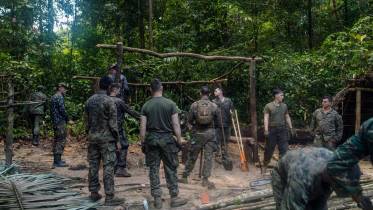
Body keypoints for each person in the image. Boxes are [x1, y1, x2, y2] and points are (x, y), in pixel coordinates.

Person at [140, 79, 187, 209]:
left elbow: (142, 128)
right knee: (170, 168)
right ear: (162, 88)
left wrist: (143, 142)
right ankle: (174, 197)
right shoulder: (170, 104)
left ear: (151, 89)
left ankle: (157, 198)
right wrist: (178, 140)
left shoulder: (146, 106)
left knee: (153, 169)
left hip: (152, 141)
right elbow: (176, 125)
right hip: (167, 141)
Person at [271, 147, 361, 210]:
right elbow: (292, 207)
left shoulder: (340, 162)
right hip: (283, 177)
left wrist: (359, 198)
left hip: (319, 177)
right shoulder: (302, 177)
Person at [85, 76, 124, 206]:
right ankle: (109, 197)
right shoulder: (109, 101)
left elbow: (87, 122)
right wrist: (117, 140)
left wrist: (89, 135)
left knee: (93, 165)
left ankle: (94, 193)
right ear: (108, 87)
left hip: (92, 138)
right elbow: (113, 124)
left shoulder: (89, 101)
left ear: (98, 86)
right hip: (107, 140)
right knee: (108, 166)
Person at [326, 118, 373, 210]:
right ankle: (361, 199)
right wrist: (358, 195)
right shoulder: (369, 126)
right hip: (325, 138)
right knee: (333, 163)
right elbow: (335, 163)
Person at [180, 86, 219, 189]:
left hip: (198, 133)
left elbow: (189, 121)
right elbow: (218, 122)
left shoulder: (194, 105)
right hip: (210, 134)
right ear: (209, 94)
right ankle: (205, 180)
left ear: (200, 93)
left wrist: (193, 131)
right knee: (208, 157)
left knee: (192, 156)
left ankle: (185, 177)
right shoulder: (214, 106)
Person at [109, 83, 140, 177]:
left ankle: (113, 167)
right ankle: (121, 168)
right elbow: (130, 111)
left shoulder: (105, 100)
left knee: (113, 146)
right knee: (124, 145)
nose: (119, 91)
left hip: (106, 128)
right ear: (115, 90)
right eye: (119, 89)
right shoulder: (119, 101)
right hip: (118, 128)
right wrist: (142, 117)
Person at [263, 88, 294, 170]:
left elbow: (287, 117)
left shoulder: (284, 106)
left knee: (284, 150)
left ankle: (281, 168)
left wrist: (291, 128)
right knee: (269, 149)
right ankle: (265, 165)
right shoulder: (268, 106)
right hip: (272, 130)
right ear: (276, 96)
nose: (283, 97)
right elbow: (266, 118)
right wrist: (266, 130)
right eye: (281, 95)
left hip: (283, 130)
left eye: (283, 95)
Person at [212, 87, 233, 170]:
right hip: (217, 125)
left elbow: (232, 111)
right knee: (217, 141)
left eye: (216, 91)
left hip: (227, 124)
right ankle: (217, 156)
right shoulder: (213, 102)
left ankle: (224, 156)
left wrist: (232, 115)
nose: (214, 92)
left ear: (221, 91)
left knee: (225, 141)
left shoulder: (228, 101)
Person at [50, 83, 69, 167]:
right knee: (61, 140)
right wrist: (68, 119)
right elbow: (62, 109)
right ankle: (57, 161)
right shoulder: (59, 97)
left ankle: (57, 160)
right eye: (64, 89)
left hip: (55, 121)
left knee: (57, 140)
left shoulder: (53, 96)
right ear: (60, 88)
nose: (65, 91)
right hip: (60, 121)